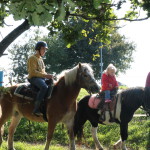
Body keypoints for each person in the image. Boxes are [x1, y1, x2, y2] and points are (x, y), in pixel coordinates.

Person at [27, 41, 53, 116]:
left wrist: (49, 75)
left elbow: (43, 72)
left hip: (41, 78)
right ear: (38, 49)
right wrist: (45, 76)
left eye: (45, 49)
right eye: (43, 49)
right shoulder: (32, 58)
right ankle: (36, 109)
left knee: (53, 83)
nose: (45, 51)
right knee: (44, 87)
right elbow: (32, 72)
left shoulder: (41, 59)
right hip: (34, 78)